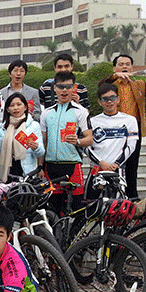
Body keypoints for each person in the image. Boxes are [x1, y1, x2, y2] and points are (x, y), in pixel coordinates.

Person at [98, 53, 146, 198]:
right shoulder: (110, 85)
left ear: (132, 67)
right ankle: (112, 195)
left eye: (127, 64)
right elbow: (100, 86)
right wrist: (114, 77)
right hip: (114, 131)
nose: (125, 67)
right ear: (115, 68)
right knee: (114, 163)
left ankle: (132, 196)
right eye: (121, 64)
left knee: (132, 165)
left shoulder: (138, 84)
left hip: (134, 131)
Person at [39, 71, 93, 215]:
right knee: (53, 208)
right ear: (54, 88)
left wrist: (78, 141)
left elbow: (90, 139)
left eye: (68, 87)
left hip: (72, 165)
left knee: (77, 207)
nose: (64, 90)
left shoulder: (81, 112)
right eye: (60, 87)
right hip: (51, 166)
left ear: (74, 88)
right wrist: (40, 166)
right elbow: (44, 141)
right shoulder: (47, 112)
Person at [84, 84, 139, 199]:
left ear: (118, 99)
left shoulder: (130, 120)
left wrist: (117, 163)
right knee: (89, 203)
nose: (109, 102)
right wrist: (101, 163)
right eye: (105, 99)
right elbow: (85, 146)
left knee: (116, 205)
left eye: (112, 98)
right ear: (99, 102)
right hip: (97, 168)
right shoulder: (92, 121)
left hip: (117, 169)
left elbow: (131, 146)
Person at [0, 93, 45, 182]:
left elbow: (41, 152)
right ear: (7, 109)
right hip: (4, 169)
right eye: (12, 105)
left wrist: (36, 147)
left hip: (25, 171)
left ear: (25, 107)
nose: (16, 108)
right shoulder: (1, 127)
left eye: (19, 104)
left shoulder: (34, 126)